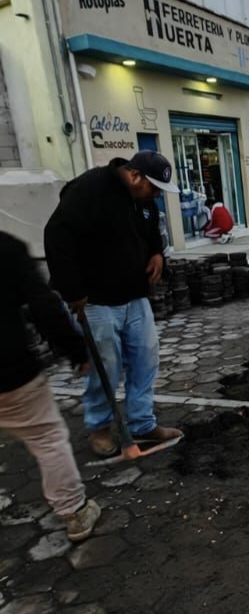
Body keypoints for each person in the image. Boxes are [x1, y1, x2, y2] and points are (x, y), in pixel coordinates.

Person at [44, 150, 183, 457]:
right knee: (105, 366)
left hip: (134, 295)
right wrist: (73, 290)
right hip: (96, 301)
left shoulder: (142, 198)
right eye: (154, 188)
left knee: (146, 359)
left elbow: (149, 228)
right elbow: (57, 237)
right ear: (134, 176)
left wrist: (157, 252)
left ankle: (142, 422)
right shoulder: (88, 191)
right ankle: (100, 427)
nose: (156, 196)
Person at [0, 231, 100, 542]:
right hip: (9, 371)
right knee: (47, 437)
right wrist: (76, 351)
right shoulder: (6, 248)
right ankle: (75, 512)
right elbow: (44, 306)